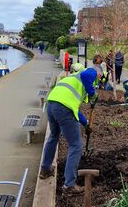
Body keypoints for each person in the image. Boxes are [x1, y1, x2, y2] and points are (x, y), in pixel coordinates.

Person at [38, 65, 102, 194]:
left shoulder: (73, 78)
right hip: (63, 108)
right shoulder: (90, 72)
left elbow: (75, 111)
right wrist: (92, 93)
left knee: (53, 136)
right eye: (100, 77)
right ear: (99, 73)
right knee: (76, 146)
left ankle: (45, 169)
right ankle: (69, 185)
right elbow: (86, 77)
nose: (99, 79)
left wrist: (86, 124)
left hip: (52, 104)